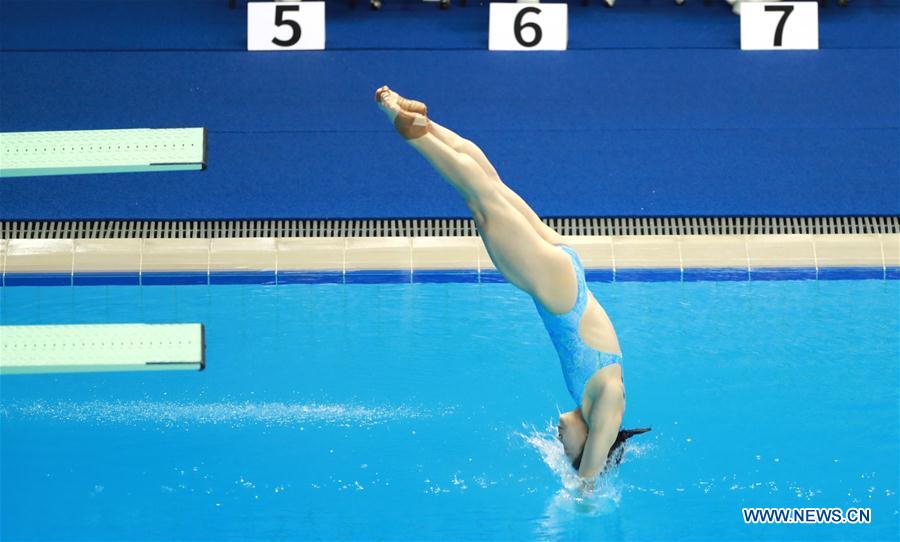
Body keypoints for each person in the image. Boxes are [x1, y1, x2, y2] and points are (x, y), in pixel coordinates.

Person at [375, 86, 649, 479]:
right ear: (589, 446)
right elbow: (589, 482)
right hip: (558, 292)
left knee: (492, 187)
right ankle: (409, 130)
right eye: (566, 449)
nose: (558, 439)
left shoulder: (589, 402)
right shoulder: (606, 407)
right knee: (483, 200)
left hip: (566, 279)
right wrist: (585, 486)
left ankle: (424, 123)